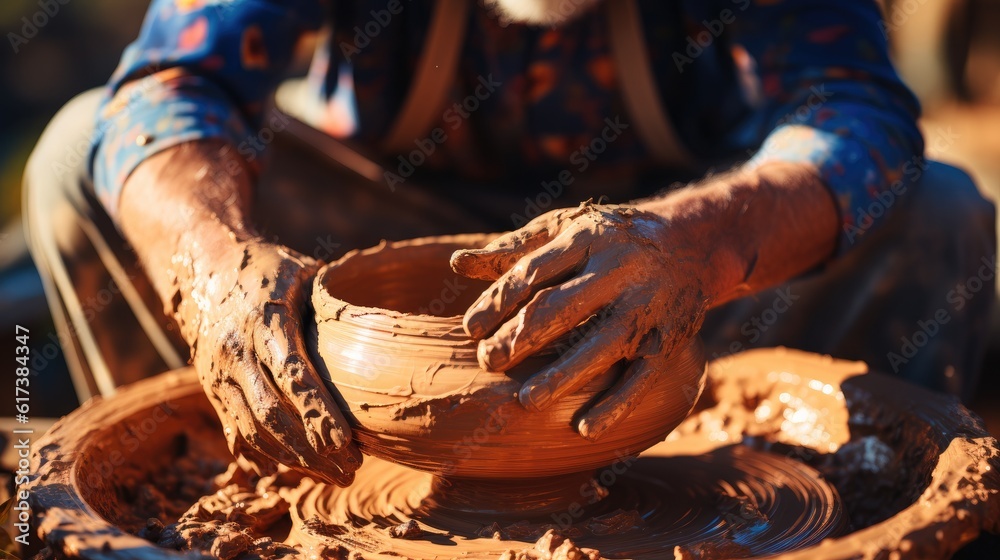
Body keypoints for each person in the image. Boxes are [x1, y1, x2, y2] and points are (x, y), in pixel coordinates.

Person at [23, 0, 996, 486]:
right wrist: (216, 265)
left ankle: (858, 507)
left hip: (675, 298)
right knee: (80, 162)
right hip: (361, 293)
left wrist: (692, 243)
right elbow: (166, 87)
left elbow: (855, 110)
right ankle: (230, 483)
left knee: (940, 210)